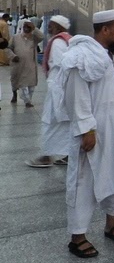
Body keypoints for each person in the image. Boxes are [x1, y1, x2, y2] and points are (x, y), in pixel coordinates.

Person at [58, 10, 114, 258]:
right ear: (105, 30)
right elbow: (76, 96)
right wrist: (86, 130)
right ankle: (77, 236)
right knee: (84, 182)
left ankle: (111, 223)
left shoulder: (107, 55)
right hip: (92, 133)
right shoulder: (80, 56)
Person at [26, 15, 73, 168]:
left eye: (51, 25)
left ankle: (46, 156)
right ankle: (69, 155)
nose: (49, 28)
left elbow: (63, 65)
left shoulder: (59, 42)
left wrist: (59, 91)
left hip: (58, 89)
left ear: (59, 27)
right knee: (63, 124)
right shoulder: (67, 40)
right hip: (60, 88)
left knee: (50, 122)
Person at [8, 19, 43, 107]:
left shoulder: (34, 38)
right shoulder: (16, 37)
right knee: (15, 81)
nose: (26, 29)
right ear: (22, 27)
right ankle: (14, 94)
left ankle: (28, 101)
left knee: (30, 84)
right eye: (25, 27)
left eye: (28, 27)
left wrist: (34, 28)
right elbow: (8, 48)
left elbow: (42, 37)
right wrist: (13, 56)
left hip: (30, 65)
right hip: (18, 64)